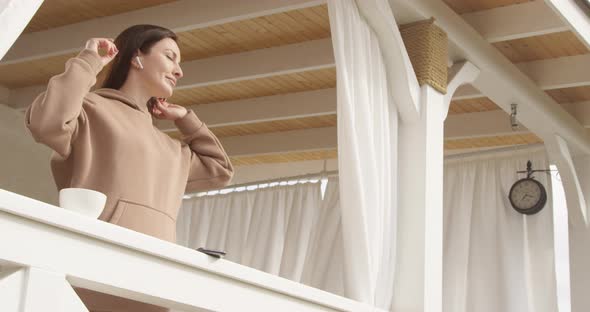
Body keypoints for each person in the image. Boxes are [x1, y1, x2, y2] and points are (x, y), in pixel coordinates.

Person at [25, 24, 234, 312]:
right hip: (94, 266)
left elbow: (220, 169)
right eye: (170, 57)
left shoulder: (170, 148)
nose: (179, 71)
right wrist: (88, 62)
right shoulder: (91, 108)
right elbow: (47, 123)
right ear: (136, 56)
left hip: (155, 278)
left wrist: (186, 118)